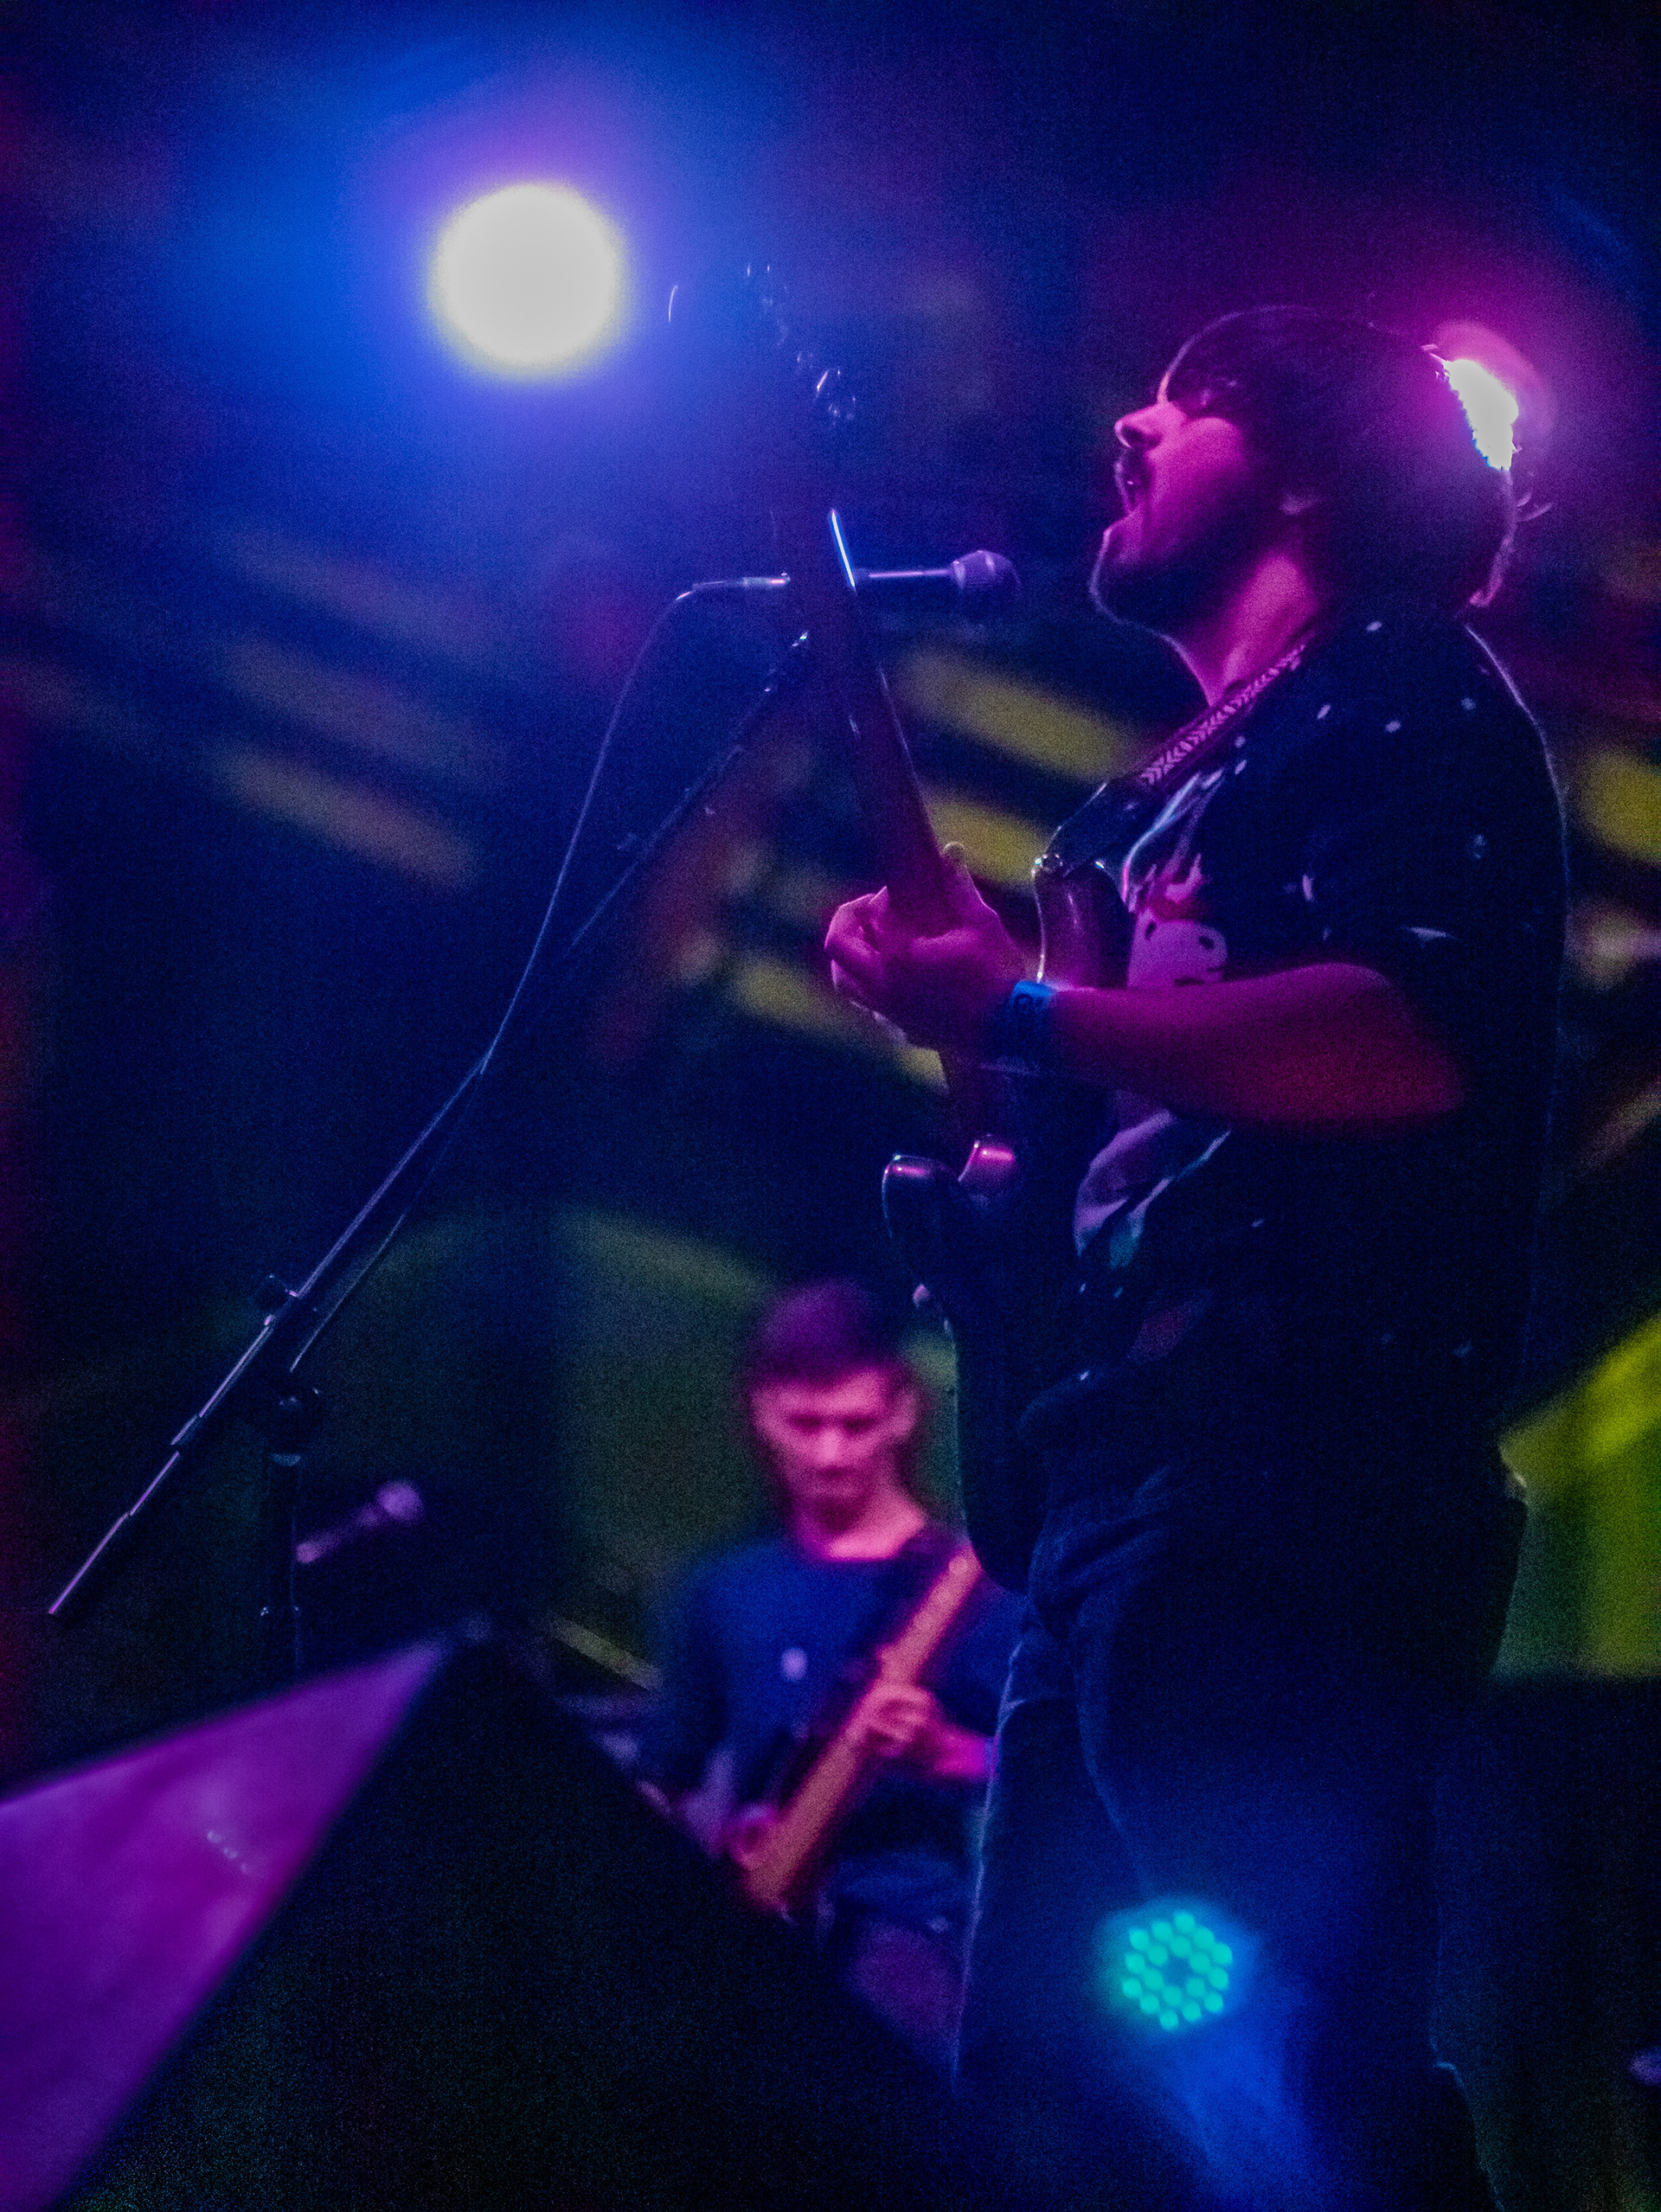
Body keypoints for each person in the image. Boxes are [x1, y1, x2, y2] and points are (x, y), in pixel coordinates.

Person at [824, 308, 1565, 2209]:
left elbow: (1405, 1037)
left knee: (1294, 2061)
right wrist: (980, 1044)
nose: (1130, 428)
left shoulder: (1404, 688)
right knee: (1045, 2107)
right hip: (1109, 1493)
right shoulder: (1141, 804)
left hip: (1288, 1483)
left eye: (1194, 400)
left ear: (1312, 464)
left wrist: (1029, 1011)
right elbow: (1079, 1141)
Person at [639, 1279, 1023, 2068]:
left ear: (902, 1411)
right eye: (804, 1424)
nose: (830, 1453)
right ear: (760, 1413)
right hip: (756, 1925)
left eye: (855, 1424)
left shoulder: (970, 1584)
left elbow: (1050, 1777)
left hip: (912, 1931)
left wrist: (943, 1751)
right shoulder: (721, 1589)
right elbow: (664, 1774)